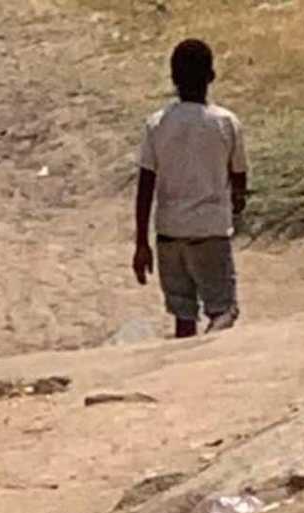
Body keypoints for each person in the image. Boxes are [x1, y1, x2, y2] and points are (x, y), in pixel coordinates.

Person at [132, 39, 249, 338]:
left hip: (169, 234)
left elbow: (145, 187)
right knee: (223, 310)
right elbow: (239, 179)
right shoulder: (226, 123)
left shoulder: (156, 124)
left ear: (172, 79)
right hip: (210, 232)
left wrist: (141, 243)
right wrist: (236, 202)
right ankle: (209, 360)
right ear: (211, 76)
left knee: (183, 315)